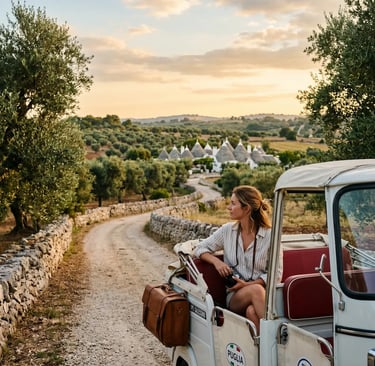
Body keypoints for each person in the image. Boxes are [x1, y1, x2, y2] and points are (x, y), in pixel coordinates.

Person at [194, 185, 283, 332]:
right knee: (255, 290)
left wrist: (248, 284)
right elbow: (199, 249)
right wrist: (217, 262)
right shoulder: (227, 230)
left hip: (264, 296)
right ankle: (278, 338)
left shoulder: (270, 236)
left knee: (251, 312)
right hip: (235, 296)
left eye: (233, 203)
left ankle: (266, 351)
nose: (228, 207)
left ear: (246, 208)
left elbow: (276, 275)